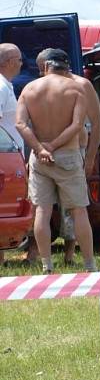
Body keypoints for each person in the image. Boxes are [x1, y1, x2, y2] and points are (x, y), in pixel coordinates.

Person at [15, 49, 95, 274]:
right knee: (79, 210)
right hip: (67, 155)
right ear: (66, 67)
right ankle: (89, 265)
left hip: (40, 159)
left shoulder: (30, 89)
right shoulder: (75, 88)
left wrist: (41, 148)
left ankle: (46, 265)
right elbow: (77, 125)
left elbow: (20, 124)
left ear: (46, 67)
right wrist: (52, 147)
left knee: (42, 211)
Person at [37, 48, 100, 265]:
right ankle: (76, 259)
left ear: (47, 65)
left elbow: (96, 124)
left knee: (70, 208)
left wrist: (91, 157)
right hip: (57, 152)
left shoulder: (82, 85)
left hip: (73, 151)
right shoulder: (49, 87)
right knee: (65, 207)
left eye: (41, 69)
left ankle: (67, 254)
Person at [0, 44, 23, 267]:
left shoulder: (6, 86)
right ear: (7, 61)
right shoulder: (0, 86)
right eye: (18, 59)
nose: (21, 63)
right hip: (4, 159)